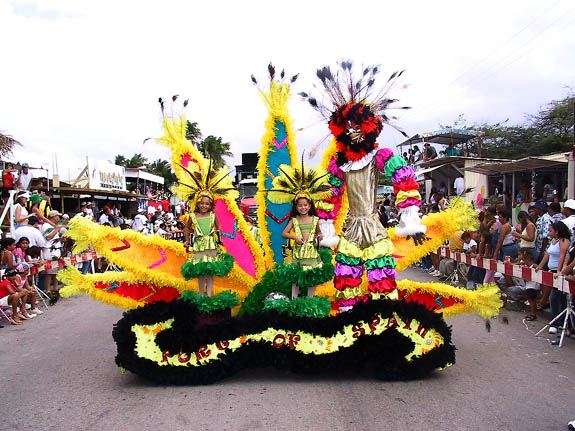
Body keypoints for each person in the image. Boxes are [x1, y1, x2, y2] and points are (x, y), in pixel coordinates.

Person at [181, 192, 233, 296]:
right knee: (200, 270)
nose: (204, 206)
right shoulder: (192, 216)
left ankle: (208, 295)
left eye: (207, 204)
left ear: (210, 205)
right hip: (198, 245)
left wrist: (220, 238)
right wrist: (187, 240)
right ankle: (201, 294)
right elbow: (186, 228)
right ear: (197, 204)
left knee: (210, 271)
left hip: (211, 245)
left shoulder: (213, 216)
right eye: (202, 203)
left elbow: (219, 227)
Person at [282, 195, 323, 298]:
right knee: (297, 276)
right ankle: (294, 299)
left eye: (305, 205)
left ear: (309, 206)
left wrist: (319, 236)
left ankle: (310, 299)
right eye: (300, 205)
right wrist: (295, 237)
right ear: (296, 207)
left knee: (311, 275)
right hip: (298, 252)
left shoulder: (315, 219)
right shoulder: (294, 220)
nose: (303, 207)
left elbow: (319, 233)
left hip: (311, 252)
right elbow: (284, 233)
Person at [534, 221, 571, 332]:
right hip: (551, 270)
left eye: (550, 230)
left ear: (557, 231)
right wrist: (540, 266)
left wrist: (559, 270)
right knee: (559, 298)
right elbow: (547, 254)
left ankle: (556, 323)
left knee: (554, 297)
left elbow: (562, 256)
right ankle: (561, 321)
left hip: (557, 271)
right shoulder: (553, 241)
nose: (549, 233)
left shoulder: (564, 241)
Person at [508, 248, 540, 321]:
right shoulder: (523, 264)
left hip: (533, 284)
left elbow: (541, 271)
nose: (518, 256)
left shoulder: (533, 265)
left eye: (519, 254)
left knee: (532, 299)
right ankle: (533, 312)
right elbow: (515, 264)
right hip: (528, 284)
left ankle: (533, 313)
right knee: (530, 298)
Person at [40, 210, 66, 302]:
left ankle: (55, 289)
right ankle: (47, 290)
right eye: (57, 216)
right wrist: (57, 229)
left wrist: (61, 239)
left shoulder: (53, 226)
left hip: (57, 250)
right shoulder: (46, 225)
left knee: (56, 272)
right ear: (53, 216)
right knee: (50, 271)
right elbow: (48, 237)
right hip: (49, 251)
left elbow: (55, 238)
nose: (58, 218)